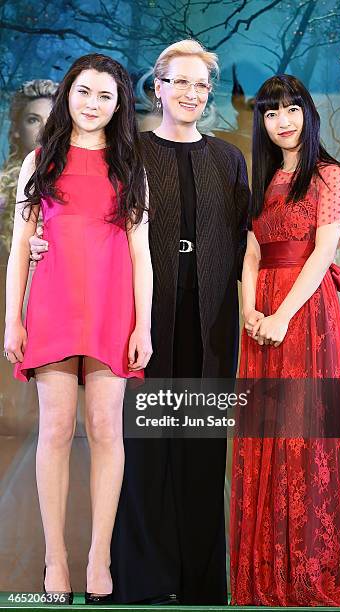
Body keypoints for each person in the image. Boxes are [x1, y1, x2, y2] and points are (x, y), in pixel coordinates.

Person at [30, 40, 250, 605]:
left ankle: (202, 583)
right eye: (178, 82)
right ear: (157, 88)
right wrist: (37, 243)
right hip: (138, 318)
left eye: (201, 85)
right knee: (140, 446)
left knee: (201, 450)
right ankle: (138, 577)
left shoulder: (229, 160)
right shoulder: (131, 153)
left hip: (209, 324)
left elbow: (245, 241)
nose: (190, 94)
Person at [4, 54, 152, 604]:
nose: (93, 104)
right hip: (52, 308)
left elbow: (142, 254)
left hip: (113, 310)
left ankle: (99, 558)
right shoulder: (39, 162)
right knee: (57, 431)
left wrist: (145, 326)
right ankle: (54, 565)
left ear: (118, 107)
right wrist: (12, 317)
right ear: (69, 95)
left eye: (105, 97)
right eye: (84, 92)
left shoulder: (128, 167)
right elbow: (22, 247)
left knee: (107, 431)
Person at [230, 74, 340, 607]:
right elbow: (250, 250)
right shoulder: (261, 178)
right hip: (260, 314)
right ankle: (264, 571)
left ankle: (309, 572)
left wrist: (283, 315)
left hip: (305, 315)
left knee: (303, 436)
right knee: (263, 439)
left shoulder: (331, 176)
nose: (281, 121)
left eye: (290, 109)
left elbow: (322, 254)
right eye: (270, 113)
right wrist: (249, 310)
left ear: (307, 113)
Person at [0, 79, 58, 252]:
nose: (44, 130)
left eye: (53, 120)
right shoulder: (3, 189)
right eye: (33, 120)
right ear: (17, 129)